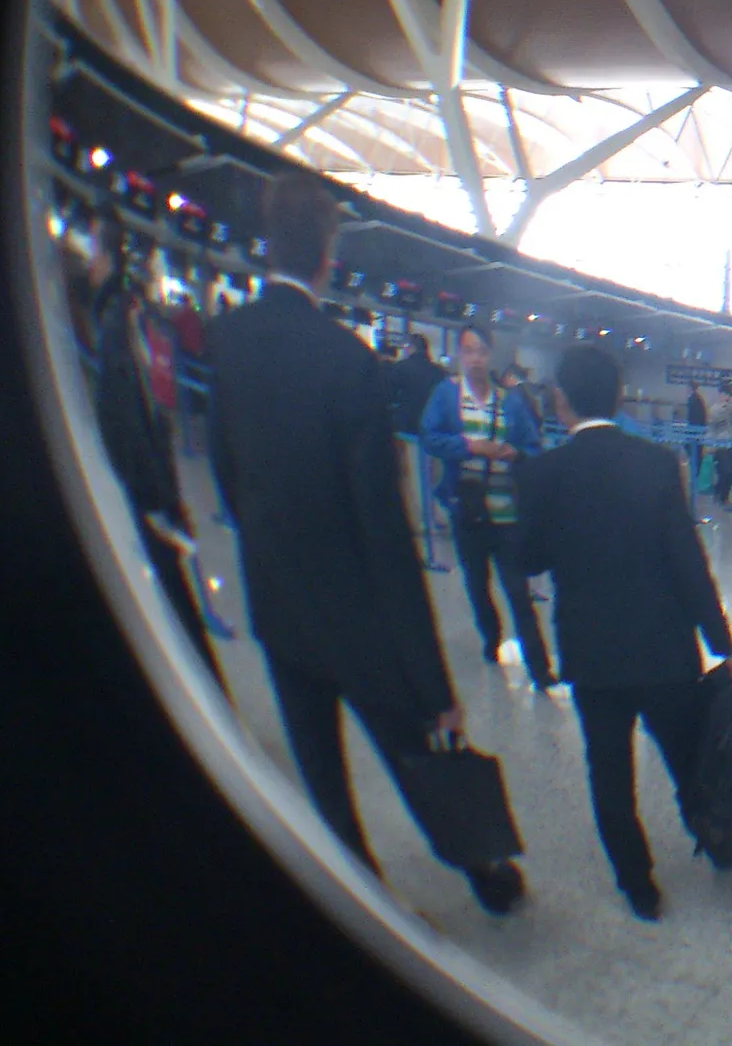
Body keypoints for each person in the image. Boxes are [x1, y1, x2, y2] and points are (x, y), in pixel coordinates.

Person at [209, 174, 524, 914]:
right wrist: (435, 686)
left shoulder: (229, 338)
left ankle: (358, 894)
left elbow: (226, 471)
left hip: (279, 604)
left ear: (269, 245)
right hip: (357, 618)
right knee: (414, 751)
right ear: (327, 254)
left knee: (322, 772)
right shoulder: (347, 361)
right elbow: (385, 532)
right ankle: (487, 875)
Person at [515, 344, 732, 921]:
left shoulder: (543, 473)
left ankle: (638, 885)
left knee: (609, 768)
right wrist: (722, 642)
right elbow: (688, 562)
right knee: (686, 754)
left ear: (561, 400)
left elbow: (527, 558)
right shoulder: (656, 463)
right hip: (665, 647)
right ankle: (714, 834)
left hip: (592, 654)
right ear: (619, 396)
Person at [84, 208, 221, 685]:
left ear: (106, 256)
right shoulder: (132, 312)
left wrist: (155, 497)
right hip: (154, 482)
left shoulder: (115, 319)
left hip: (144, 493)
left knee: (168, 603)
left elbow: (130, 411)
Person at [419, 324, 555, 689]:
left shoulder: (510, 401)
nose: (475, 359)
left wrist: (515, 454)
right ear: (460, 355)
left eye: (481, 351)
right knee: (477, 585)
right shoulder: (446, 395)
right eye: (469, 351)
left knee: (518, 591)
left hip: (506, 513)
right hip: (468, 511)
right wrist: (468, 447)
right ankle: (491, 639)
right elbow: (429, 436)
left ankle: (540, 668)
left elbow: (533, 446)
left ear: (490, 355)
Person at [387, 332, 445, 435]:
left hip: (405, 423)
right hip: (430, 426)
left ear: (410, 347)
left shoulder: (401, 367)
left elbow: (389, 395)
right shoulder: (439, 372)